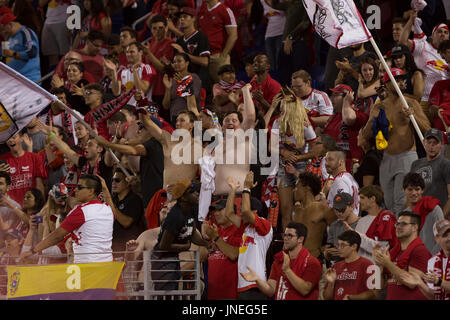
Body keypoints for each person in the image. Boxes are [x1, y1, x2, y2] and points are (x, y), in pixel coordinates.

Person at [361, 68, 431, 215]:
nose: (400, 82)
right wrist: (372, 119)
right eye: (396, 79)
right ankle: (393, 234)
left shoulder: (410, 102)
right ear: (386, 84)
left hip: (407, 157)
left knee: (402, 201)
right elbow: (367, 136)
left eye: (401, 79)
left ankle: (403, 233)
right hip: (386, 158)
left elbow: (427, 129)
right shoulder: (380, 106)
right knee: (388, 201)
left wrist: (413, 116)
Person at [20, 174, 115, 263]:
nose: (75, 190)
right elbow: (113, 212)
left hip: (87, 267)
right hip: (107, 266)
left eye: (79, 187)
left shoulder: (81, 211)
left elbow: (57, 235)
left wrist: (33, 251)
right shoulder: (107, 209)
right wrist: (105, 190)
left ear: (91, 191)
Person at [151, 178, 210, 293]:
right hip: (162, 261)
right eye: (192, 192)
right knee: (166, 296)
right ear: (183, 197)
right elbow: (163, 245)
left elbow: (191, 233)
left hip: (172, 259)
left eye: (196, 191)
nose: (197, 193)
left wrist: (206, 244)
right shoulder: (175, 216)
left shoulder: (190, 210)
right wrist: (185, 247)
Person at [269, 90, 318, 230]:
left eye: (283, 109)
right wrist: (284, 152)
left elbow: (316, 151)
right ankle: (286, 240)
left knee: (302, 207)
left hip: (301, 166)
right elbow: (270, 147)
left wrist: (298, 157)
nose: (281, 112)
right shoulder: (278, 123)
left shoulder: (305, 127)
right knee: (286, 209)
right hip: (284, 166)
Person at [241, 222, 321, 300]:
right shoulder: (279, 260)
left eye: (290, 236)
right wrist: (257, 280)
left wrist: (287, 270)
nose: (285, 238)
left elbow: (305, 290)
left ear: (300, 239)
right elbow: (271, 290)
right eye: (285, 235)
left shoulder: (312, 263)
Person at [225, 173, 273, 300]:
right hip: (242, 284)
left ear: (255, 211)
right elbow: (229, 214)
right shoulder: (244, 226)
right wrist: (233, 190)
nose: (240, 211)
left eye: (242, 207)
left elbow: (246, 211)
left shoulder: (265, 225)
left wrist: (246, 188)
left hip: (256, 284)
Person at [373, 211, 431, 300]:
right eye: (397, 224)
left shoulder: (420, 251)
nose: (399, 227)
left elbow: (411, 283)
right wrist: (379, 264)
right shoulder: (393, 253)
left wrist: (387, 263)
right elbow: (379, 286)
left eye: (403, 224)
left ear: (415, 227)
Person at [399, 13, 449, 103]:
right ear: (432, 36)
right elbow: (403, 43)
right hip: (425, 100)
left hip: (445, 101)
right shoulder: (423, 46)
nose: (443, 34)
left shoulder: (449, 55)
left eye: (446, 32)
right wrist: (411, 20)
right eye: (439, 31)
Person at [344, 185, 398, 261]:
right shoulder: (361, 221)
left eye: (362, 198)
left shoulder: (386, 217)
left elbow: (381, 249)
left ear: (372, 199)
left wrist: (358, 236)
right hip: (360, 266)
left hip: (377, 268)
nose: (359, 201)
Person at [400, 219, 450, 300]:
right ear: (437, 239)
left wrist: (438, 281)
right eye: (445, 235)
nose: (449, 238)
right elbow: (434, 296)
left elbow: (438, 282)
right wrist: (419, 283)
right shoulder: (432, 261)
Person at [323, 84, 369, 171]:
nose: (332, 99)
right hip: (332, 164)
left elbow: (349, 118)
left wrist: (347, 102)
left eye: (336, 95)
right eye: (331, 95)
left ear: (346, 97)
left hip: (350, 165)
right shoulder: (333, 117)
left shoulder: (357, 114)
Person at [202, 199, 241, 300]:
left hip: (230, 294)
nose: (216, 213)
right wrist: (204, 239)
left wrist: (215, 237)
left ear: (230, 211)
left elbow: (233, 255)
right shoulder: (215, 231)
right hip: (212, 293)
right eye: (215, 211)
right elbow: (202, 257)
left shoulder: (238, 230)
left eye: (220, 210)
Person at [292, 172, 336, 258]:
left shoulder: (323, 209)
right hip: (294, 261)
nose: (294, 190)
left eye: (297, 187)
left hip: (314, 260)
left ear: (307, 188)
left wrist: (327, 248)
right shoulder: (295, 211)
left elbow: (339, 230)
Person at [324, 230, 378, 300]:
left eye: (343, 245)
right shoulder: (336, 266)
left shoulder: (368, 265)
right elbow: (326, 297)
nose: (339, 248)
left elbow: (374, 293)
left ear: (354, 246)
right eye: (338, 245)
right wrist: (331, 284)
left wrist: (351, 298)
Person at [410, 128, 450, 218]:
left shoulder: (446, 164)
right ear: (424, 142)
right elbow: (410, 193)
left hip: (437, 216)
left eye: (435, 143)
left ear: (441, 144)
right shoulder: (415, 164)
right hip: (419, 215)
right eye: (429, 142)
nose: (431, 146)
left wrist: (440, 218)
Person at [402, 172, 444, 254]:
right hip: (412, 260)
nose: (414, 193)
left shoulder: (434, 209)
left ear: (422, 190)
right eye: (410, 189)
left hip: (432, 260)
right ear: (404, 190)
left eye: (417, 189)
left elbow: (442, 236)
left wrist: (431, 259)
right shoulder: (404, 214)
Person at [172, 7, 211, 96]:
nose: (181, 19)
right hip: (183, 83)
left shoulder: (201, 37)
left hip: (200, 82)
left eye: (185, 16)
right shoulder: (179, 41)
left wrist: (183, 53)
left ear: (193, 18)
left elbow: (205, 61)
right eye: (180, 17)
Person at [197, 0, 238, 83]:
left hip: (218, 56)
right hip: (203, 56)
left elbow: (233, 35)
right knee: (207, 89)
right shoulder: (202, 11)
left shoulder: (225, 10)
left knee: (225, 88)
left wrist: (223, 56)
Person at [0, 131, 46, 204]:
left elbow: (39, 185)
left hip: (31, 208)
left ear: (22, 138)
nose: (11, 140)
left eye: (14, 137)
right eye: (8, 138)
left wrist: (40, 206)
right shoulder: (1, 161)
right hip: (10, 208)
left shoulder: (35, 158)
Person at [109, 168, 145, 252]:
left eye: (117, 180)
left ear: (128, 182)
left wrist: (111, 205)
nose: (113, 183)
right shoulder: (113, 199)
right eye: (112, 180)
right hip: (113, 246)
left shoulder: (135, 200)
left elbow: (126, 222)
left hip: (130, 247)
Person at [0, 8, 41, 81]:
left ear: (10, 24)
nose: (4, 32)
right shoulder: (10, 37)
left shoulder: (26, 32)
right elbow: (5, 54)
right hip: (15, 80)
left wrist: (14, 54)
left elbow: (32, 52)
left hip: (29, 79)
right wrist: (5, 40)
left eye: (4, 29)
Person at [143, 14, 175, 105]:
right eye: (154, 28)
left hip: (163, 89)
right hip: (150, 89)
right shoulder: (151, 44)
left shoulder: (170, 44)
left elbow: (163, 68)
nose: (157, 31)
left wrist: (148, 53)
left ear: (166, 28)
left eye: (160, 28)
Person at [162, 52, 201, 125]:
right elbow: (166, 106)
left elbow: (193, 103)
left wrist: (183, 84)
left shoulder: (194, 78)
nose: (176, 64)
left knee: (195, 136)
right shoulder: (173, 80)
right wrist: (168, 89)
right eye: (174, 62)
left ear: (187, 63)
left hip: (190, 119)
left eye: (179, 61)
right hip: (175, 119)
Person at [324, 192, 359, 266]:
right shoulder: (334, 226)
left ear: (351, 206)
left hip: (357, 267)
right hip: (339, 268)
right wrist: (328, 253)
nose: (339, 213)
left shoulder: (362, 224)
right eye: (336, 209)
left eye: (342, 209)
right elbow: (328, 251)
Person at [325, 150, 360, 217]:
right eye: (326, 160)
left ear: (341, 162)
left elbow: (342, 209)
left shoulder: (340, 181)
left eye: (330, 160)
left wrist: (324, 205)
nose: (326, 163)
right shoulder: (347, 177)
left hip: (343, 225)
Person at [39, 0, 72, 69]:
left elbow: (75, 5)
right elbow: (41, 3)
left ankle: (66, 76)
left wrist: (71, 25)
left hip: (63, 20)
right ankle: (54, 77)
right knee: (51, 54)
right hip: (48, 21)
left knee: (66, 55)